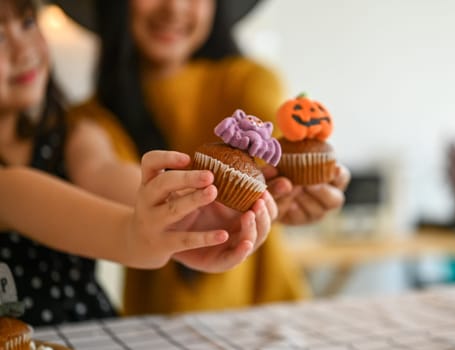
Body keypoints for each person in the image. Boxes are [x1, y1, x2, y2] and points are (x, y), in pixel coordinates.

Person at [0, 0, 276, 326]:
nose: (23, 50)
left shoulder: (76, 131)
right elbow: (13, 193)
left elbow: (104, 172)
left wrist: (184, 209)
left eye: (28, 23)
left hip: (93, 330)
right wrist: (134, 237)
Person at [67, 0, 350, 314]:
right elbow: (104, 174)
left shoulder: (248, 80)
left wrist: (301, 182)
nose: (174, 8)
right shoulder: (88, 120)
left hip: (272, 313)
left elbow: (276, 140)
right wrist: (184, 206)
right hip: (160, 325)